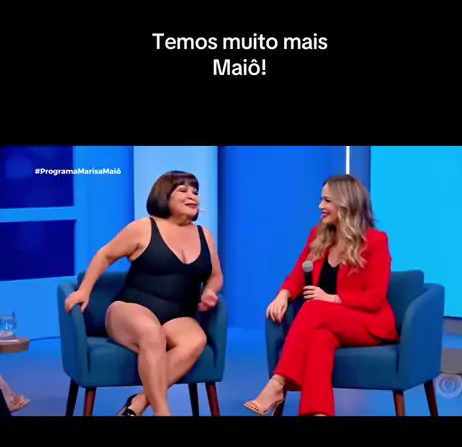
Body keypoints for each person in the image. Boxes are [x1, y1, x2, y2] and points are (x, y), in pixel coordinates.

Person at [65, 171, 223, 417]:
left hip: (178, 316)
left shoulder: (205, 235)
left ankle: (137, 403)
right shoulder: (143, 228)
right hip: (129, 310)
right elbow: (105, 255)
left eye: (195, 191)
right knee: (151, 332)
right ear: (165, 195)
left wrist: (211, 291)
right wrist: (84, 291)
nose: (192, 196)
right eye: (183, 190)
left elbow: (215, 275)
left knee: (196, 341)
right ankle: (162, 411)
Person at [245, 174, 399, 417]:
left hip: (368, 323)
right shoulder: (319, 235)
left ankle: (277, 383)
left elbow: (375, 298)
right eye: (321, 199)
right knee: (320, 339)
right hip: (329, 323)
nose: (320, 206)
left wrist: (333, 299)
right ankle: (318, 413)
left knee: (314, 307)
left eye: (327, 200)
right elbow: (299, 273)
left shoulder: (376, 241)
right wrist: (284, 294)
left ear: (346, 204)